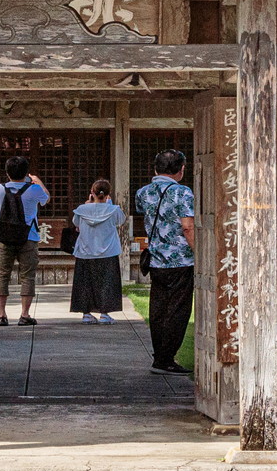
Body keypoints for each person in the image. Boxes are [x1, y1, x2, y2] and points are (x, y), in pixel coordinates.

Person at [131, 149, 197, 375]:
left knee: (158, 309)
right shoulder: (182, 192)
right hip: (180, 258)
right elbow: (187, 226)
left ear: (155, 168)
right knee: (178, 310)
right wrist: (199, 252)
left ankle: (160, 355)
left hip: (156, 258)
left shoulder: (143, 192)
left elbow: (145, 214)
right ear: (181, 169)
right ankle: (167, 358)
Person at [0, 155, 49, 326]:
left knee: (1, 275)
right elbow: (46, 199)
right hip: (28, 237)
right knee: (28, 276)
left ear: (7, 172)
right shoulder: (34, 189)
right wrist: (38, 182)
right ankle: (25, 314)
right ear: (26, 173)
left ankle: (1, 314)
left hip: (4, 237)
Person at [66, 178, 127, 323]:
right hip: (108, 251)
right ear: (108, 194)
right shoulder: (113, 210)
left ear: (92, 193)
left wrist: (89, 204)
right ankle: (104, 314)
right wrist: (109, 204)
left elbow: (76, 223)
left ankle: (86, 314)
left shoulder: (82, 209)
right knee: (107, 283)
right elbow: (121, 221)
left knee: (85, 283)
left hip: (86, 251)